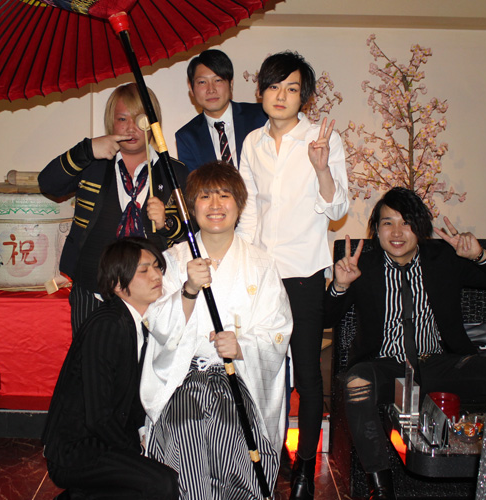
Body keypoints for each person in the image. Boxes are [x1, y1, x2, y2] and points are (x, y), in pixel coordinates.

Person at [325, 187, 486, 500]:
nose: (397, 232)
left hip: (438, 363)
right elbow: (325, 318)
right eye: (388, 223)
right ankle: (381, 489)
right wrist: (339, 285)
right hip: (385, 366)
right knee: (356, 383)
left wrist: (480, 256)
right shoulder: (363, 266)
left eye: (407, 223)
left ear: (421, 228)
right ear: (376, 230)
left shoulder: (442, 259)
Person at [140, 161, 293, 499]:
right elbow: (156, 325)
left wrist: (242, 346)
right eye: (205, 196)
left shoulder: (261, 264)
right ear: (191, 207)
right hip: (184, 378)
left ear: (239, 205)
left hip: (240, 379)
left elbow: (278, 330)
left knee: (232, 430)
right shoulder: (172, 260)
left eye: (224, 195)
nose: (215, 205)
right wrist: (188, 290)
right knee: (185, 429)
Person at [236, 51, 349, 500]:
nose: (281, 96)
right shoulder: (252, 143)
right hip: (262, 274)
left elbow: (337, 209)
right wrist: (242, 262)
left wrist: (321, 167)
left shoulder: (322, 140)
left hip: (304, 272)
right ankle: (267, 455)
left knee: (306, 372)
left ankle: (304, 464)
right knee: (262, 371)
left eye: (292, 88)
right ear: (260, 92)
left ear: (305, 97)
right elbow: (248, 212)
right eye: (273, 86)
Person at [39, 84, 188, 335]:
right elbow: (48, 184)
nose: (131, 127)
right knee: (92, 357)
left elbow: (190, 236)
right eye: (122, 119)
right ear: (111, 122)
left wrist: (167, 224)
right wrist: (87, 149)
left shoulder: (174, 171)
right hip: (92, 288)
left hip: (155, 294)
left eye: (139, 119)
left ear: (152, 123)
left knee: (149, 360)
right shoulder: (93, 164)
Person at [42, 237, 179, 500]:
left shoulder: (136, 323)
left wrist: (143, 435)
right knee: (161, 482)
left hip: (103, 439)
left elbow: (133, 396)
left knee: (167, 474)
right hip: (76, 449)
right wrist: (134, 450)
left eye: (157, 266)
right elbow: (98, 415)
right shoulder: (107, 325)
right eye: (144, 270)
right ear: (117, 284)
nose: (156, 275)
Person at [175, 49, 267, 172]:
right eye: (202, 82)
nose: (211, 89)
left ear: (231, 84)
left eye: (218, 80)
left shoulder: (261, 116)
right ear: (191, 89)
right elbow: (193, 182)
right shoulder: (187, 137)